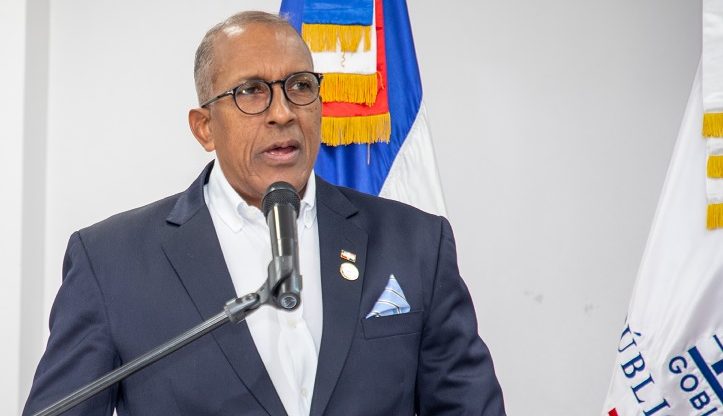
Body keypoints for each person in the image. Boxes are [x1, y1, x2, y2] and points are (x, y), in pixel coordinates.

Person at [23, 11, 506, 416]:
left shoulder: (415, 242)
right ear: (204, 127)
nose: (283, 112)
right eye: (251, 91)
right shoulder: (111, 262)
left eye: (300, 86)